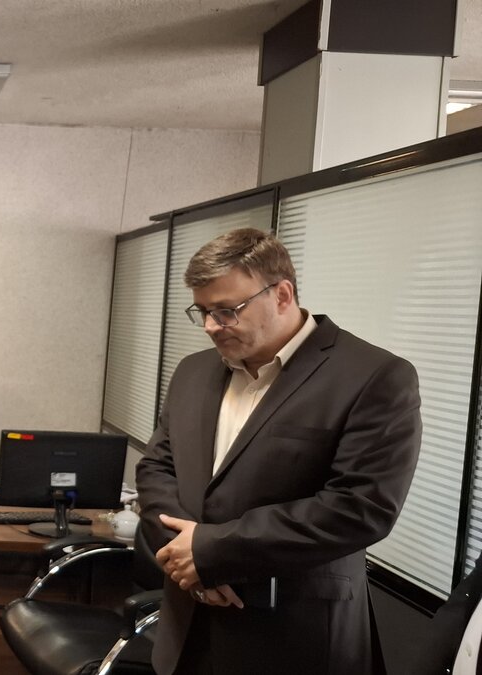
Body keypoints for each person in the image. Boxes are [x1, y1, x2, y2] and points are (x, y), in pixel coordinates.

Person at [136, 228, 421, 675]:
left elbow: (360, 508)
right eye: (203, 311)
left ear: (282, 294)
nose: (210, 326)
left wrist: (211, 553)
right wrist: (182, 556)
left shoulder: (373, 376)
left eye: (226, 311)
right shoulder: (192, 371)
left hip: (293, 640)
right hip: (185, 631)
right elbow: (157, 467)